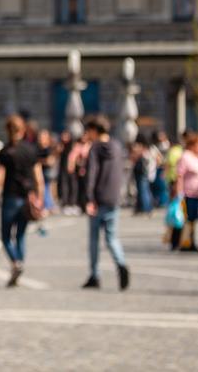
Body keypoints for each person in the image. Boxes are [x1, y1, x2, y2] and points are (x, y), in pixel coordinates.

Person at [0, 115, 42, 287]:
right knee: (20, 235)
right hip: (27, 198)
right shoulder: (31, 150)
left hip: (10, 198)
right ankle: (19, 263)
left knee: (5, 236)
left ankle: (15, 262)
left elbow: (0, 179)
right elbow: (39, 178)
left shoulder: (4, 152)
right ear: (23, 129)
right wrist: (40, 198)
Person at [82, 116, 130, 290]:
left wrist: (89, 198)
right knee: (111, 237)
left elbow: (91, 175)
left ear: (95, 130)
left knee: (94, 239)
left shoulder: (95, 148)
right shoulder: (117, 147)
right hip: (113, 197)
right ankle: (121, 263)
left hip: (98, 198)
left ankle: (95, 275)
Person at [173, 132, 198, 252]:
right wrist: (178, 193)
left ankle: (190, 242)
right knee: (184, 219)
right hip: (187, 193)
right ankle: (179, 242)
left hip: (197, 194)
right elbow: (179, 175)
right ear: (192, 145)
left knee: (192, 219)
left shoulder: (196, 157)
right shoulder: (185, 156)